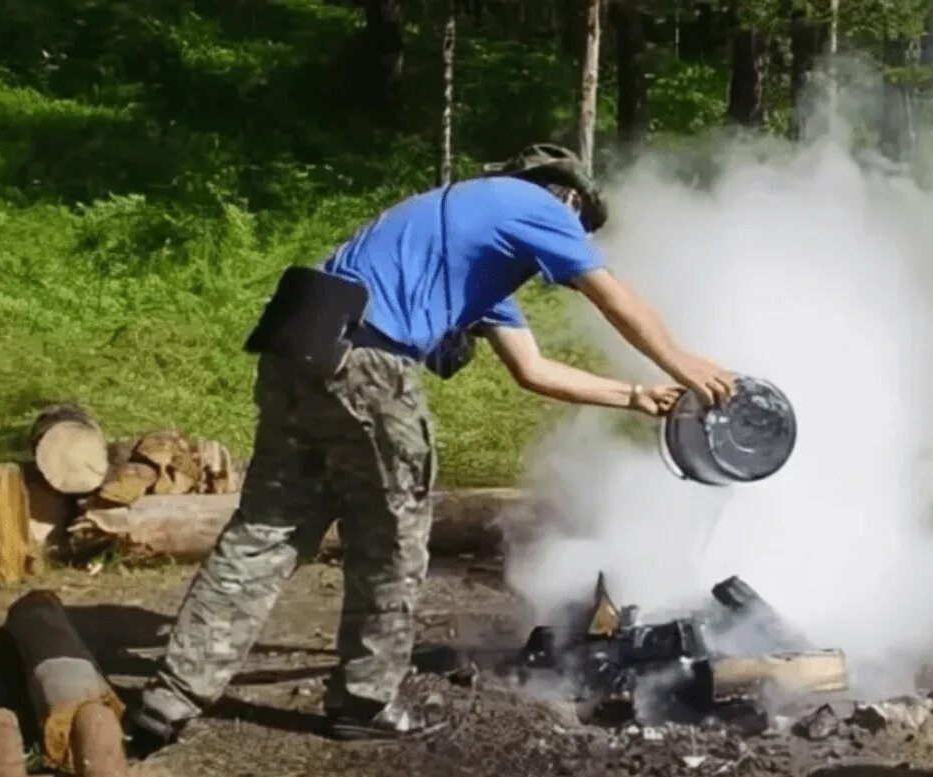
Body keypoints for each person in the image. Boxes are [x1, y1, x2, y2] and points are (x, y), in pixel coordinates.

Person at [128, 143, 737, 746]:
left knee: (267, 529)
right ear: (569, 197)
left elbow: (533, 370)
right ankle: (363, 702)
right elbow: (612, 295)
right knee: (391, 541)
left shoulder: (468, 242)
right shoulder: (536, 203)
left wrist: (635, 395)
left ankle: (172, 695)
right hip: (369, 363)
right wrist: (685, 364)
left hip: (299, 351)